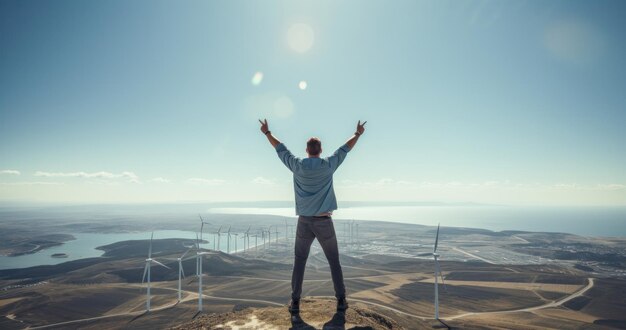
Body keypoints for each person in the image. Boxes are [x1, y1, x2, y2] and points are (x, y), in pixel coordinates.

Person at [259, 119, 366, 316]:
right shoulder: (328, 165)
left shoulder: (297, 166)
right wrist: (358, 133)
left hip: (304, 222)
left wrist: (267, 132)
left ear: (307, 150)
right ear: (320, 150)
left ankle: (295, 301)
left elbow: (280, 149)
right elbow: (345, 149)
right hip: (324, 221)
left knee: (299, 261)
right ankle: (341, 300)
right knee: (334, 261)